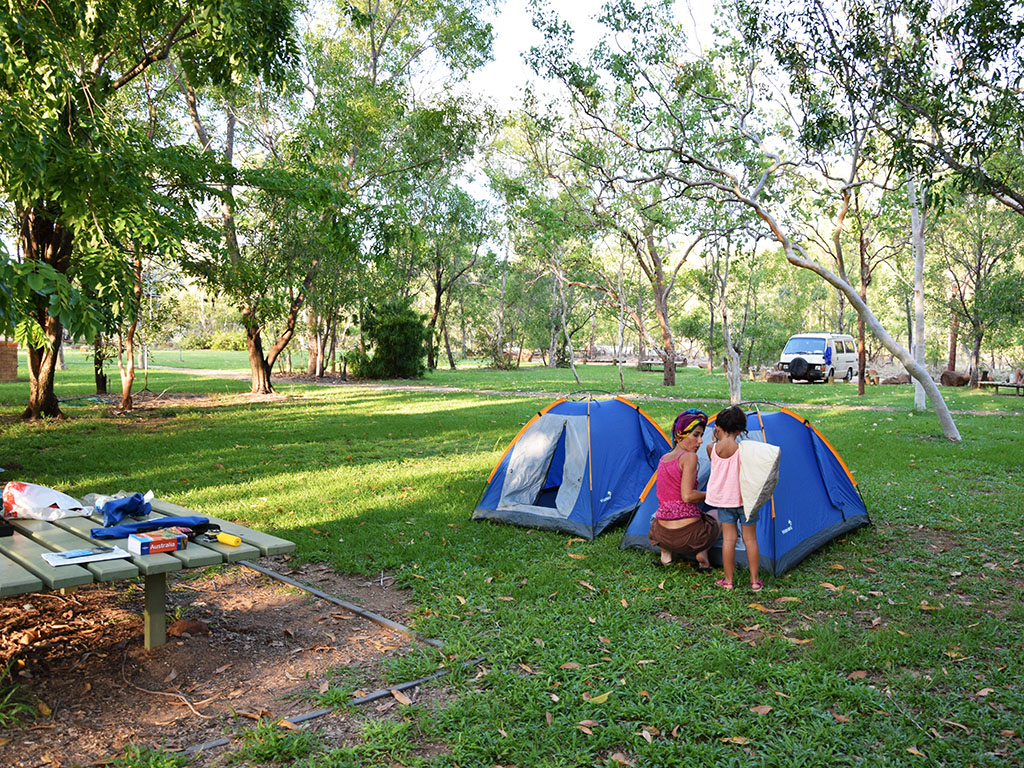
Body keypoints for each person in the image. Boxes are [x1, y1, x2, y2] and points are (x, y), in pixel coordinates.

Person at [648, 409, 721, 569]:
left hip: (662, 535)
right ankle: (703, 553)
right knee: (717, 515)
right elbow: (687, 496)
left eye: (701, 435)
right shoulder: (689, 457)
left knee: (664, 511)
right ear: (680, 434)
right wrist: (713, 495)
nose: (700, 441)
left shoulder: (663, 459)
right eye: (696, 435)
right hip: (689, 538)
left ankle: (665, 556)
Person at [706, 405, 762, 592]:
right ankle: (754, 581)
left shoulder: (710, 449)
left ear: (718, 428)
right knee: (750, 540)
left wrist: (716, 439)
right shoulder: (745, 450)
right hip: (746, 501)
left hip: (724, 502)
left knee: (729, 540)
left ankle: (728, 581)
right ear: (740, 430)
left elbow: (718, 459)